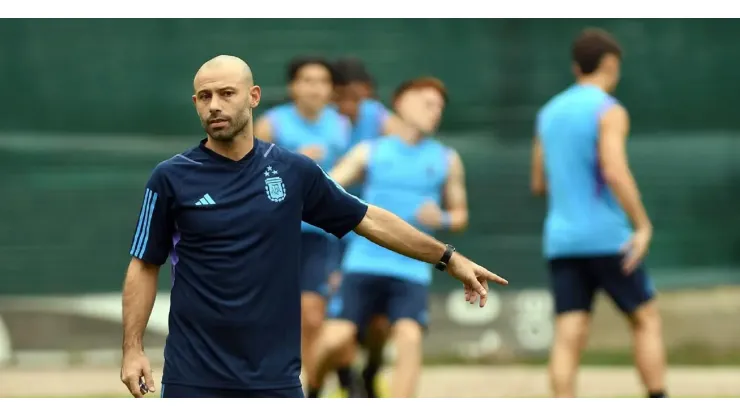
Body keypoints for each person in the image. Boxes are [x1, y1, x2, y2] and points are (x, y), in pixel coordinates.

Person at [119, 55, 507, 399]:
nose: (215, 105)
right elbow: (143, 264)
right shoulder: (171, 178)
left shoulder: (293, 171)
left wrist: (448, 258)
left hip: (275, 379)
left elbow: (368, 218)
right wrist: (133, 349)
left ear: (253, 97)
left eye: (226, 93)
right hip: (194, 377)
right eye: (205, 97)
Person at [307, 76, 469, 398]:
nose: (435, 112)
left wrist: (444, 218)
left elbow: (461, 215)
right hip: (363, 264)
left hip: (412, 269)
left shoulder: (446, 159)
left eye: (439, 107)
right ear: (401, 103)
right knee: (335, 338)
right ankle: (310, 391)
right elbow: (325, 188)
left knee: (408, 336)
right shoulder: (370, 152)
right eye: (427, 103)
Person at [530, 29, 667, 398]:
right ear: (609, 64)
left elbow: (539, 182)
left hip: (561, 240)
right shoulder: (609, 110)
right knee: (646, 319)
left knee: (568, 333)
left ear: (576, 67)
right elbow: (615, 171)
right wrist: (641, 225)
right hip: (608, 238)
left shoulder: (548, 113)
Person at [253, 56, 350, 384]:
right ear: (293, 87)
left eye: (322, 81)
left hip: (320, 237)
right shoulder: (271, 124)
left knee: (312, 317)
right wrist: (294, 163)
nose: (314, 88)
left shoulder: (341, 125)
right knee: (270, 315)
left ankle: (307, 389)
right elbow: (249, 174)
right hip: (274, 234)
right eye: (307, 80)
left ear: (331, 89)